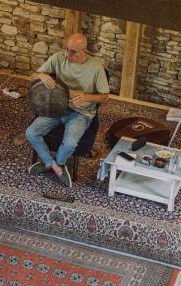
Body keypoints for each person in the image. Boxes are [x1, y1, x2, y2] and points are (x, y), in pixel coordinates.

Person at [26, 32, 110, 188]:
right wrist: (40, 76)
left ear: (84, 51)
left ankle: (56, 162)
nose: (67, 54)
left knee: (70, 143)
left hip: (80, 114)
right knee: (31, 132)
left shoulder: (96, 68)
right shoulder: (58, 58)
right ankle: (54, 165)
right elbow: (33, 76)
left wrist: (87, 97)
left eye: (73, 51)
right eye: (67, 49)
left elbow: (105, 97)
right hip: (55, 108)